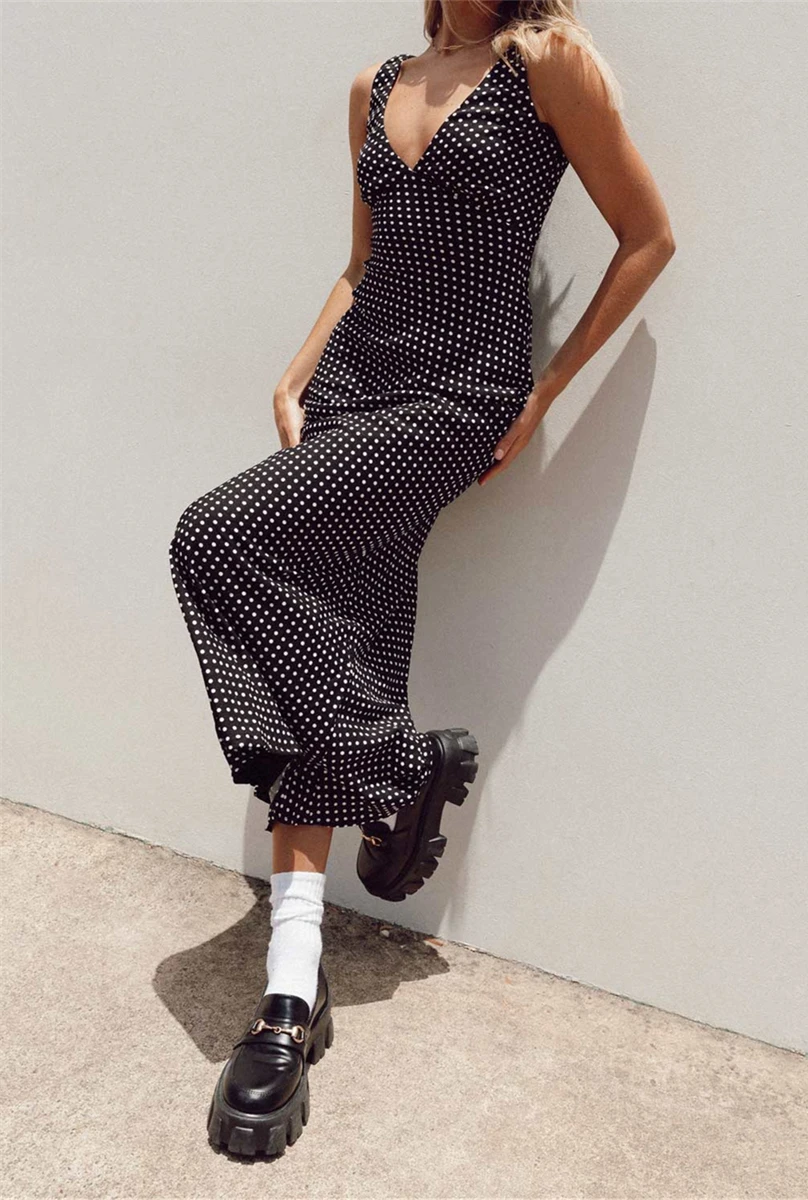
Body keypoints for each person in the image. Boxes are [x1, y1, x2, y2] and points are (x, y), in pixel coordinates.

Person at [169, 0, 675, 1158]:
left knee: (216, 538)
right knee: (333, 643)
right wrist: (295, 373)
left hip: (456, 399)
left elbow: (647, 236)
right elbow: (361, 266)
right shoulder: (377, 83)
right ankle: (291, 992)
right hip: (351, 389)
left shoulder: (546, 64)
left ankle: (400, 767)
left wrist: (541, 396)